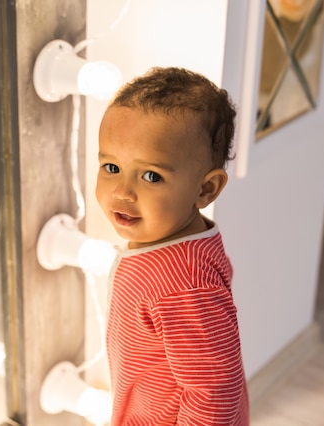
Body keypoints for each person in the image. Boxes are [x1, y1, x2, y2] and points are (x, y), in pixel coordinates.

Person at [96, 67, 249, 425]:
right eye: (111, 166)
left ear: (205, 190)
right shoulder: (172, 244)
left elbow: (214, 394)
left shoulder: (184, 286)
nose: (122, 192)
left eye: (151, 176)